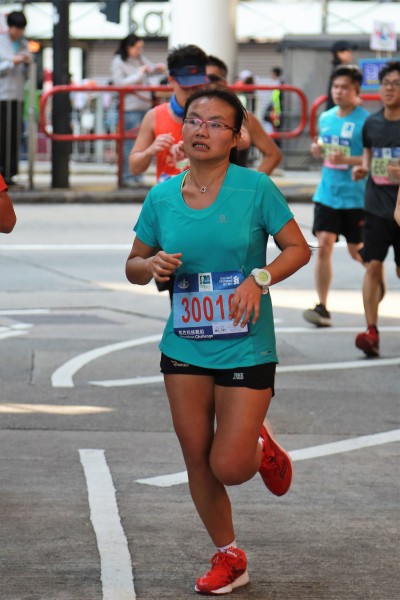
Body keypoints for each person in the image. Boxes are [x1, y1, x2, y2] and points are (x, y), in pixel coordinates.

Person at [125, 87, 311, 595]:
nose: (201, 130)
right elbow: (133, 266)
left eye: (215, 123)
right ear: (181, 128)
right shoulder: (162, 196)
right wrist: (151, 264)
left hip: (246, 343)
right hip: (184, 345)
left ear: (236, 137)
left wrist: (260, 279)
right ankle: (229, 555)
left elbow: (298, 249)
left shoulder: (256, 189)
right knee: (197, 459)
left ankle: (258, 444)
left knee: (227, 466)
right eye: (193, 120)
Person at [303, 65, 369, 327]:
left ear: (356, 90)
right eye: (335, 87)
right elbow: (325, 146)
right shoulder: (326, 117)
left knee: (357, 252)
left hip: (356, 197)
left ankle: (375, 276)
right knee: (324, 245)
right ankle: (322, 307)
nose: (338, 92)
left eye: (344, 87)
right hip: (328, 193)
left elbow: (372, 158)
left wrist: (349, 160)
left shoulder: (367, 121)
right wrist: (318, 149)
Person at [352, 61, 400, 357]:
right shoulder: (371, 123)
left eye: (396, 83)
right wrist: (362, 169)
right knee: (372, 265)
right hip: (375, 206)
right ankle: (371, 330)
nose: (389, 89)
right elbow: (368, 158)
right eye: (385, 83)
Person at [129, 44, 209, 184]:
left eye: (197, 87)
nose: (192, 93)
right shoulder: (155, 116)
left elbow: (242, 144)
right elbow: (134, 168)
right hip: (168, 196)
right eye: (186, 87)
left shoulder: (216, 116)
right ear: (171, 80)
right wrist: (150, 150)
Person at [206, 55, 282, 175]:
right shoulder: (185, 116)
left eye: (212, 78)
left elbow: (273, 155)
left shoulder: (244, 118)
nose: (205, 83)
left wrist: (251, 184)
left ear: (223, 83)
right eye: (200, 79)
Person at [111, 34, 166, 187]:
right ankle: (127, 177)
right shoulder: (118, 61)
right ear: (128, 47)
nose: (139, 50)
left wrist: (158, 69)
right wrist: (139, 73)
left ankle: (137, 176)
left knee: (142, 145)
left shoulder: (140, 59)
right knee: (129, 145)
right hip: (130, 109)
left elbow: (150, 69)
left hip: (144, 108)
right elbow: (119, 84)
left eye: (141, 48)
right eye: (136, 47)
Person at [0, 11, 31, 186]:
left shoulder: (24, 44)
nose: (18, 32)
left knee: (14, 135)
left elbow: (29, 70)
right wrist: (12, 62)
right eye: (16, 28)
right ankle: (1, 174)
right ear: (9, 27)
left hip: (17, 97)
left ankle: (11, 173)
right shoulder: (1, 42)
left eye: (21, 28)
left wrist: (26, 62)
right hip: (2, 96)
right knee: (2, 136)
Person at [326, 40, 357, 110]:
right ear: (339, 53)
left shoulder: (339, 69)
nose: (350, 55)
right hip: (337, 110)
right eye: (348, 52)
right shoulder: (339, 71)